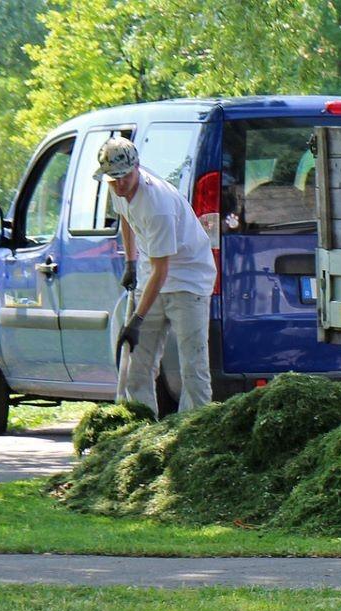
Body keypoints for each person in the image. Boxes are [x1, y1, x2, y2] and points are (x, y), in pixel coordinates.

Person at [95, 137, 217, 413]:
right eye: (113, 180)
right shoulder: (117, 186)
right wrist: (130, 262)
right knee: (137, 366)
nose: (119, 185)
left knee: (193, 367)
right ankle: (140, 430)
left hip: (188, 279)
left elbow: (163, 270)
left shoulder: (157, 205)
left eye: (123, 178)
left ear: (136, 167)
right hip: (152, 275)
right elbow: (125, 218)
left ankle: (193, 434)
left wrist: (136, 320)